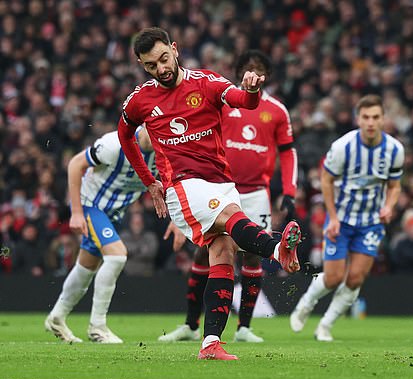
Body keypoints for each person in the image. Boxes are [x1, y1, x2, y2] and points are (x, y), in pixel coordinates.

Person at [117, 27, 301, 360]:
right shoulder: (141, 100)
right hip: (183, 186)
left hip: (221, 182)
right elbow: (125, 135)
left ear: (174, 49)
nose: (161, 69)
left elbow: (242, 101)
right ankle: (276, 250)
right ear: (143, 67)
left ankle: (210, 343)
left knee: (224, 253)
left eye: (163, 59)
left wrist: (252, 91)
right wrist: (150, 182)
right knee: (231, 220)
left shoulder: (207, 82)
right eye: (151, 66)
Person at [158, 50, 298, 344]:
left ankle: (243, 327)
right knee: (205, 252)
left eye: (258, 69)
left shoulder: (276, 111)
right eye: (247, 68)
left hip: (255, 192)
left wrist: (289, 191)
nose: (253, 73)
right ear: (238, 71)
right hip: (216, 188)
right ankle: (191, 324)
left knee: (250, 255)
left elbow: (287, 152)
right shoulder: (222, 100)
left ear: (267, 75)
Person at [45, 126, 185, 343]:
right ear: (145, 124)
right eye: (155, 127)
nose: (160, 134)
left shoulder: (164, 152)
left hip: (113, 214)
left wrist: (178, 221)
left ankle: (57, 316)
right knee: (117, 255)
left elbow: (175, 185)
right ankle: (97, 327)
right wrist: (76, 212)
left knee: (86, 267)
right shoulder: (115, 145)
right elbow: (75, 164)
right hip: (91, 204)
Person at [289, 94, 404, 341]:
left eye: (375, 117)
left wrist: (389, 206)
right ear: (358, 119)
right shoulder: (343, 147)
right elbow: (326, 180)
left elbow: (394, 185)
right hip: (341, 219)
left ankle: (326, 325)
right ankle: (306, 303)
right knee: (333, 277)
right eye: (366, 117)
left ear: (383, 119)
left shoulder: (395, 149)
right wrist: (333, 217)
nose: (371, 122)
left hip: (371, 222)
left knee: (355, 278)